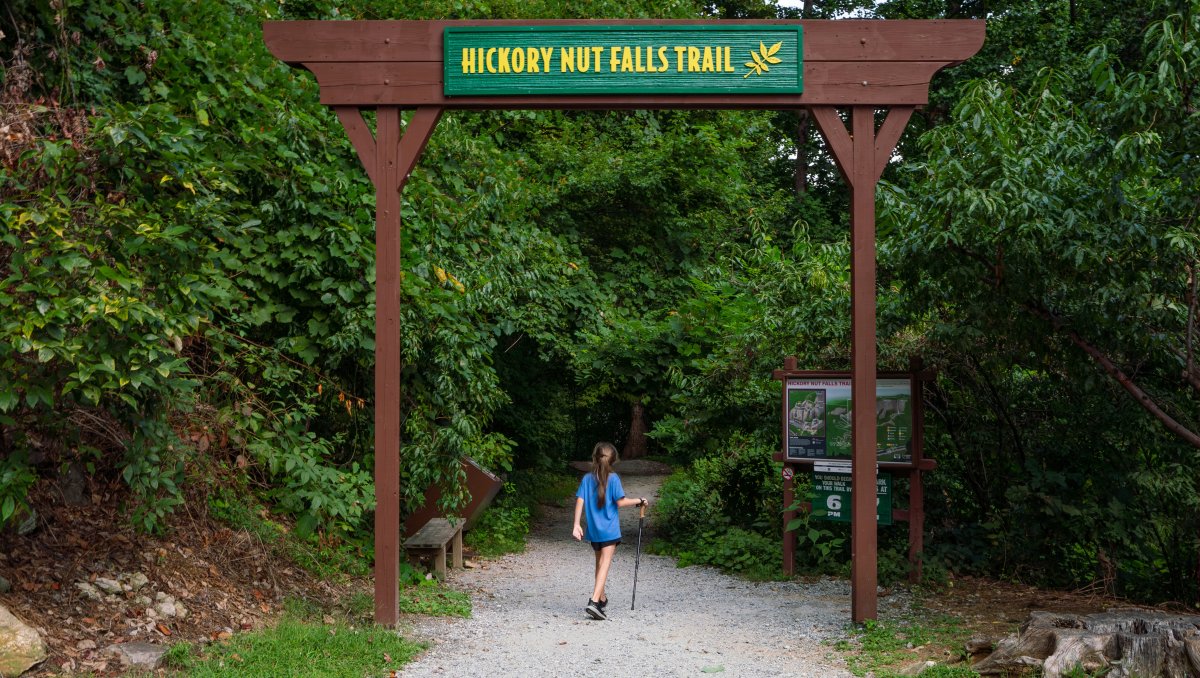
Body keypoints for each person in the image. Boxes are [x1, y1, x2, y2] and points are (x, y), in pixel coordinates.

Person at [572, 441, 646, 620]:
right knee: (605, 564)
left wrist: (576, 524)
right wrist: (640, 500)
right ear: (614, 460)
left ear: (594, 457)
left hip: (594, 531)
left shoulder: (587, 478)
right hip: (609, 530)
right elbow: (620, 502)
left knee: (599, 564)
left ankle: (601, 599)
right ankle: (594, 601)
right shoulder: (613, 479)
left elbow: (580, 501)